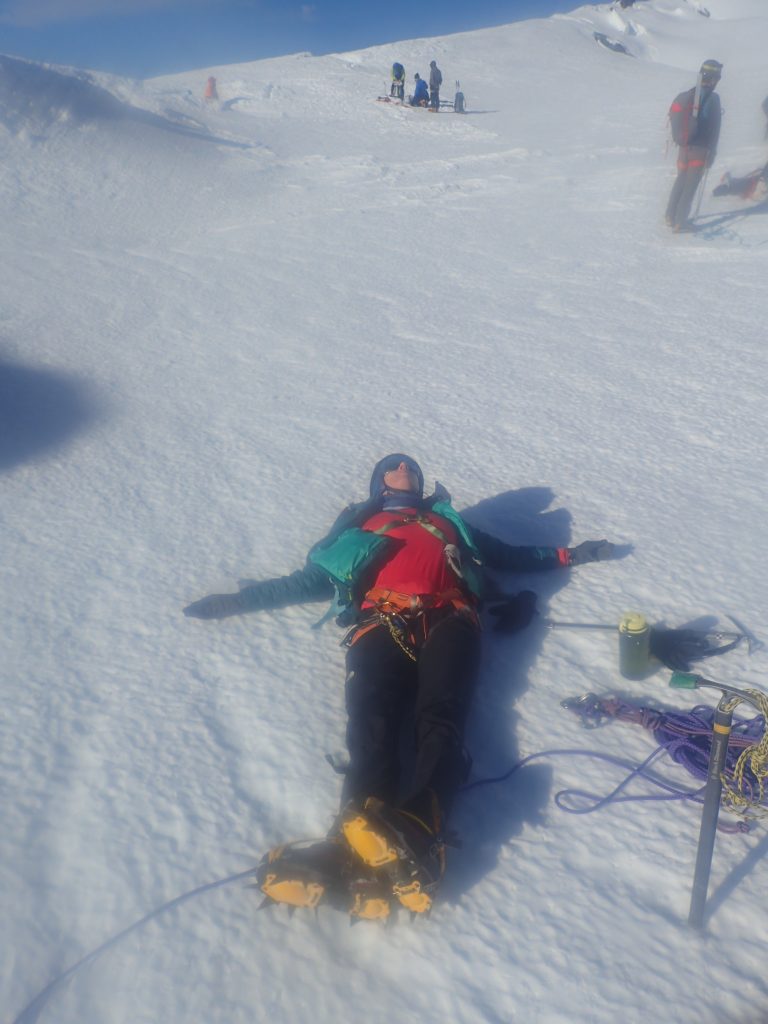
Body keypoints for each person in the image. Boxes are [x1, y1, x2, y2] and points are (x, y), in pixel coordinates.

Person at [184, 454, 617, 919]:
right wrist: (237, 600)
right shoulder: (359, 526)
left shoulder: (446, 522)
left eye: (410, 465)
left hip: (450, 617)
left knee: (441, 717)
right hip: (380, 621)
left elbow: (510, 555)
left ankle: (414, 832)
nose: (403, 467)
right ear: (379, 484)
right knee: (372, 727)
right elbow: (306, 581)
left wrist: (570, 555)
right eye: (392, 465)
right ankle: (350, 846)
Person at [665, 59, 723, 233]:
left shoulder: (690, 94)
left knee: (680, 180)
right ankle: (680, 223)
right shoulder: (713, 98)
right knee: (690, 187)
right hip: (700, 150)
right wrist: (711, 153)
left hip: (684, 147)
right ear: (714, 78)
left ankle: (670, 215)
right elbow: (714, 129)